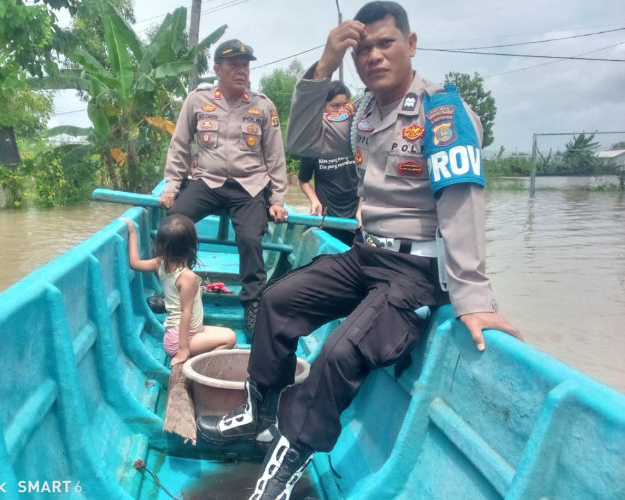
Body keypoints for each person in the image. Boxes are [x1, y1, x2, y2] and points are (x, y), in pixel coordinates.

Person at [196, 3, 523, 499]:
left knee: (338, 351)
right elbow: (303, 139)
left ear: (410, 45)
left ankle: (287, 462)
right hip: (367, 255)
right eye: (362, 48)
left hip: (417, 269)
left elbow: (461, 203)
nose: (372, 56)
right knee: (277, 302)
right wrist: (325, 65)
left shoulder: (442, 111)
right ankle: (261, 414)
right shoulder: (361, 115)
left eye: (385, 43)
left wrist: (473, 299)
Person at [158, 39, 289, 338]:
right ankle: (176, 287)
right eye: (234, 65)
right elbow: (179, 147)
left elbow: (275, 157)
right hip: (208, 181)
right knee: (176, 221)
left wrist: (278, 199)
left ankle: (253, 302)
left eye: (245, 65)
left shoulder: (263, 106)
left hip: (250, 185)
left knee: (249, 236)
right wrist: (170, 187)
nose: (241, 70)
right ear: (217, 69)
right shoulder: (197, 101)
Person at [121, 215, 236, 366]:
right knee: (230, 338)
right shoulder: (187, 277)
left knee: (224, 333)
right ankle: (197, 365)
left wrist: (133, 233)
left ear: (161, 244)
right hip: (180, 341)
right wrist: (183, 349)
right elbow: (185, 313)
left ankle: (195, 355)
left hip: (184, 334)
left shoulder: (160, 262)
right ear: (191, 244)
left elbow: (134, 263)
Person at [298, 80, 361, 245]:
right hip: (328, 218)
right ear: (323, 107)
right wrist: (314, 201)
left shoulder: (357, 137)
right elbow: (303, 180)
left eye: (345, 106)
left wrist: (362, 208)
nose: (341, 111)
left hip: (357, 218)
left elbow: (368, 176)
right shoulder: (313, 142)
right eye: (335, 106)